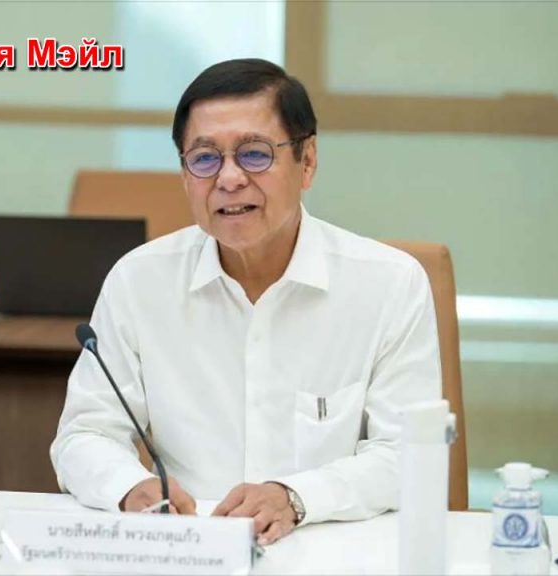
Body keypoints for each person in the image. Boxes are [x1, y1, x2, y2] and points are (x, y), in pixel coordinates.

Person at [50, 58, 441, 546]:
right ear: (185, 174)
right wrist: (130, 488)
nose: (229, 178)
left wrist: (295, 497)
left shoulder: (389, 284)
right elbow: (84, 434)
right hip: (188, 551)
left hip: (335, 551)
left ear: (307, 161)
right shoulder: (139, 281)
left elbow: (409, 455)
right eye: (205, 158)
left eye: (255, 154)